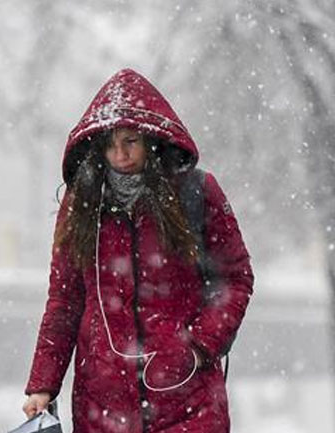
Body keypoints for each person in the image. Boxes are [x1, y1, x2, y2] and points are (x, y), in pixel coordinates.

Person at [21, 68, 254, 433]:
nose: (120, 154)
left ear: (150, 139)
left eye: (130, 141)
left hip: (189, 403)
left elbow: (235, 278)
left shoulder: (195, 192)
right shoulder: (80, 205)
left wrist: (198, 344)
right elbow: (64, 301)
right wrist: (42, 385)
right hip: (103, 406)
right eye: (111, 144)